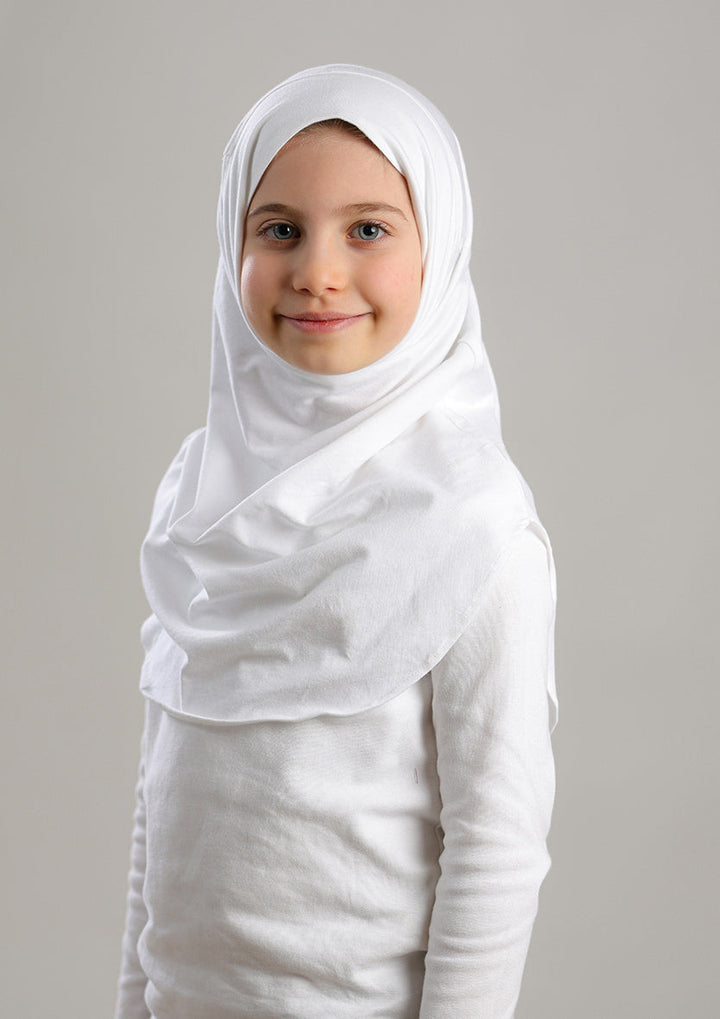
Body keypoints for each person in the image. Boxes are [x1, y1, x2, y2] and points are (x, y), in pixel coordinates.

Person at [114, 64, 559, 1019]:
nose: (317, 270)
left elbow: (497, 845)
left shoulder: (474, 526)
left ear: (439, 247)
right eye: (279, 229)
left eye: (368, 229)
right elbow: (161, 803)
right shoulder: (199, 495)